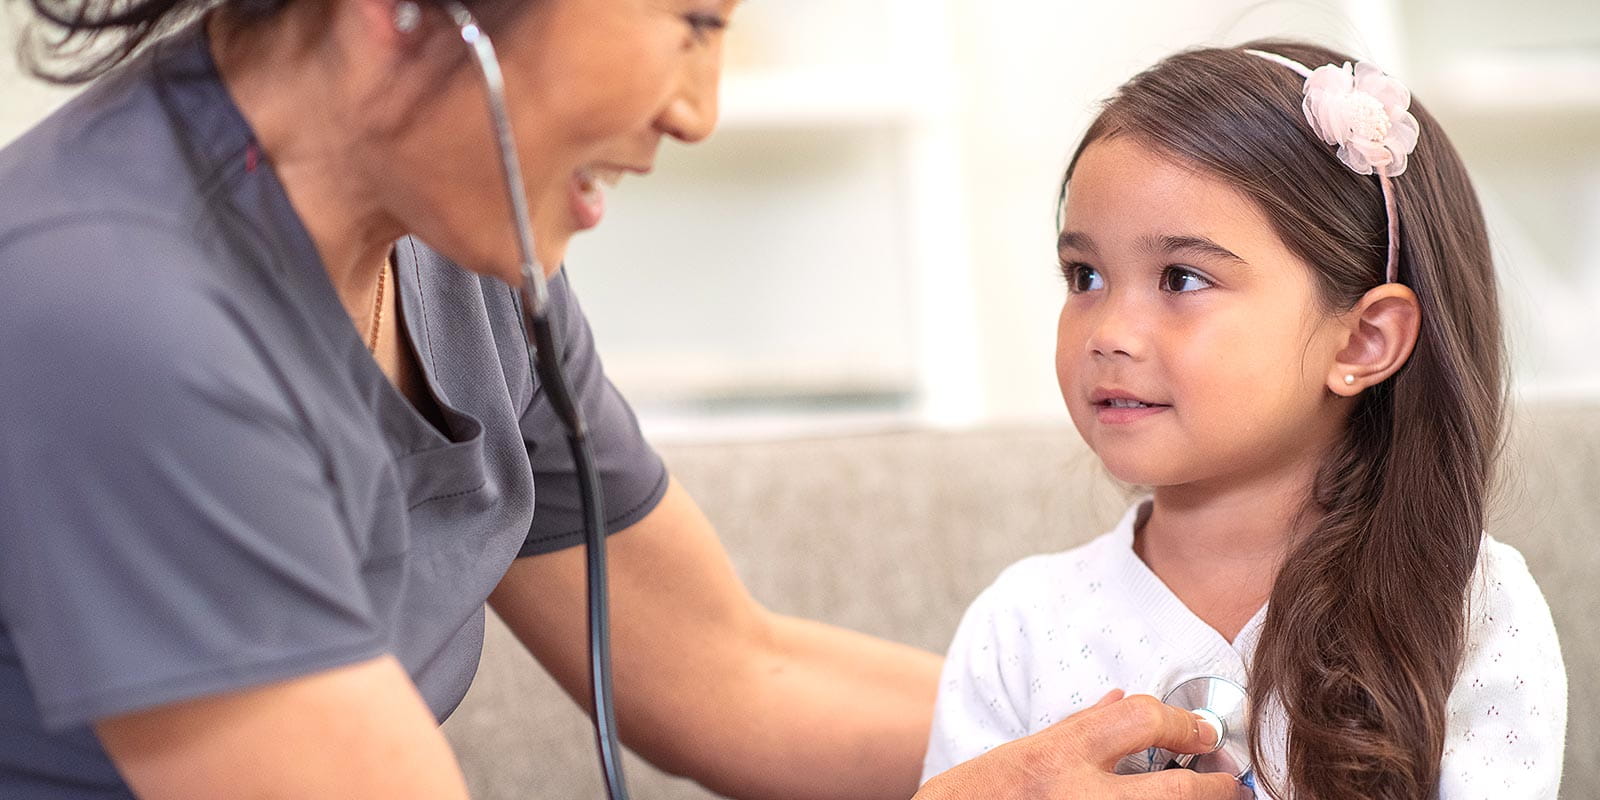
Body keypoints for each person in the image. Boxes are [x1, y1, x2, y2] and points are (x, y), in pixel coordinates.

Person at [0, 0, 1245, 797]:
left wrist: (1183, 736)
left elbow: (727, 671)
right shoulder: (113, 311)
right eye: (691, 20)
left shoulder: (449, 238)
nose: (697, 111)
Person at [921, 41, 1568, 799]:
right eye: (1084, 276)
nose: (1108, 332)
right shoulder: (1019, 627)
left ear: (1364, 339)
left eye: (1182, 278)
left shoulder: (1472, 605)